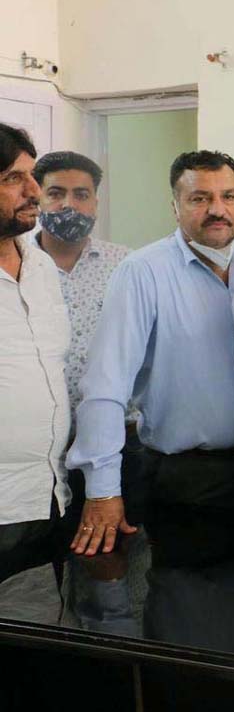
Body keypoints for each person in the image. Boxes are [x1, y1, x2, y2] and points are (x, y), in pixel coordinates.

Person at [65, 151, 234, 557]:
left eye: (228, 196)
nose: (217, 209)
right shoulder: (143, 272)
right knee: (186, 593)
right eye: (199, 198)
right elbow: (105, 385)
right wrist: (102, 491)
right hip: (184, 481)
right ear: (175, 206)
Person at [0, 124, 71, 583]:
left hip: (49, 499)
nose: (33, 190)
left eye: (32, 175)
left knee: (44, 624)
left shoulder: (41, 265)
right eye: (12, 178)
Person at [30, 151, 131, 415]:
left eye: (81, 195)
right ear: (37, 199)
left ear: (95, 203)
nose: (69, 205)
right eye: (55, 194)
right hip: (37, 427)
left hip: (119, 424)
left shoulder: (126, 265)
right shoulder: (15, 265)